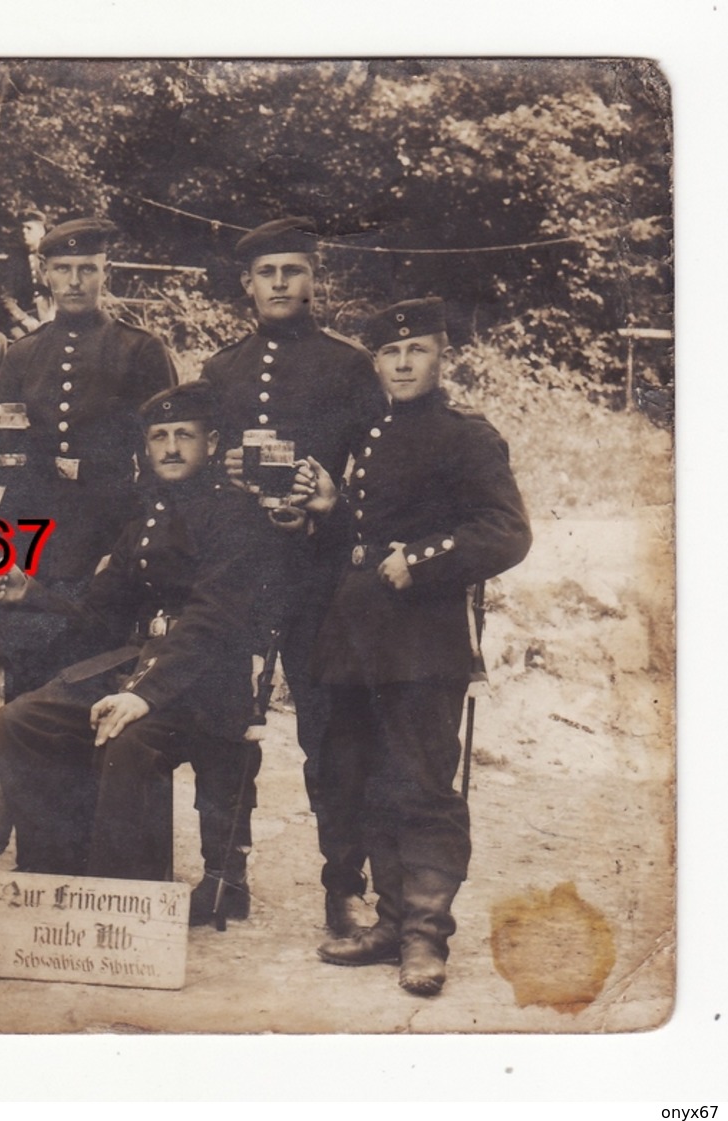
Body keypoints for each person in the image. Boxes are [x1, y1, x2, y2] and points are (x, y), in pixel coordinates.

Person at [308, 297, 530, 996]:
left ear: (441, 358)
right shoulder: (372, 429)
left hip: (423, 638)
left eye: (417, 351)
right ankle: (389, 919)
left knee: (424, 784)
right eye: (389, 353)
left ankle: (424, 937)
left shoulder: (466, 434)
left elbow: (505, 530)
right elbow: (372, 528)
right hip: (357, 635)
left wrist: (425, 559)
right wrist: (330, 510)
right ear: (376, 362)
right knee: (368, 777)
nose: (402, 363)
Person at [0, 381, 264, 885]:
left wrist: (144, 695)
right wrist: (30, 595)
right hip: (137, 666)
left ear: (214, 442)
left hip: (205, 682)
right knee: (21, 720)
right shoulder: (146, 515)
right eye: (159, 436)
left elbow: (211, 619)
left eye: (185, 434)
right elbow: (99, 612)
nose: (172, 448)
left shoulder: (234, 514)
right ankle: (53, 871)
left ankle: (128, 895)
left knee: (128, 735)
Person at [198, 216, 385, 933]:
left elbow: (378, 472)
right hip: (240, 572)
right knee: (223, 722)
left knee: (329, 732)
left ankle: (344, 883)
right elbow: (199, 469)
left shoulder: (348, 367)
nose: (279, 284)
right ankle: (223, 874)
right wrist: (229, 480)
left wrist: (326, 503)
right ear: (246, 285)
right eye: (266, 273)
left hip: (320, 575)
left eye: (292, 271)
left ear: (313, 280)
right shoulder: (221, 371)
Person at [0, 217, 177, 696]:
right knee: (28, 672)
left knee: (97, 671)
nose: (73, 281)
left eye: (86, 268)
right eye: (62, 268)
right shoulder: (23, 354)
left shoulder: (140, 351)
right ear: (44, 272)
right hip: (35, 531)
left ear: (105, 272)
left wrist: (137, 537)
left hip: (108, 531)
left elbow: (165, 465)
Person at [0, 208, 51, 339]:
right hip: (23, 317)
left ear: (41, 232)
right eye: (22, 228)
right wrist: (23, 319)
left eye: (29, 228)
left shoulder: (52, 258)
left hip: (50, 316)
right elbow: (5, 297)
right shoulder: (13, 260)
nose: (24, 232)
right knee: (21, 342)